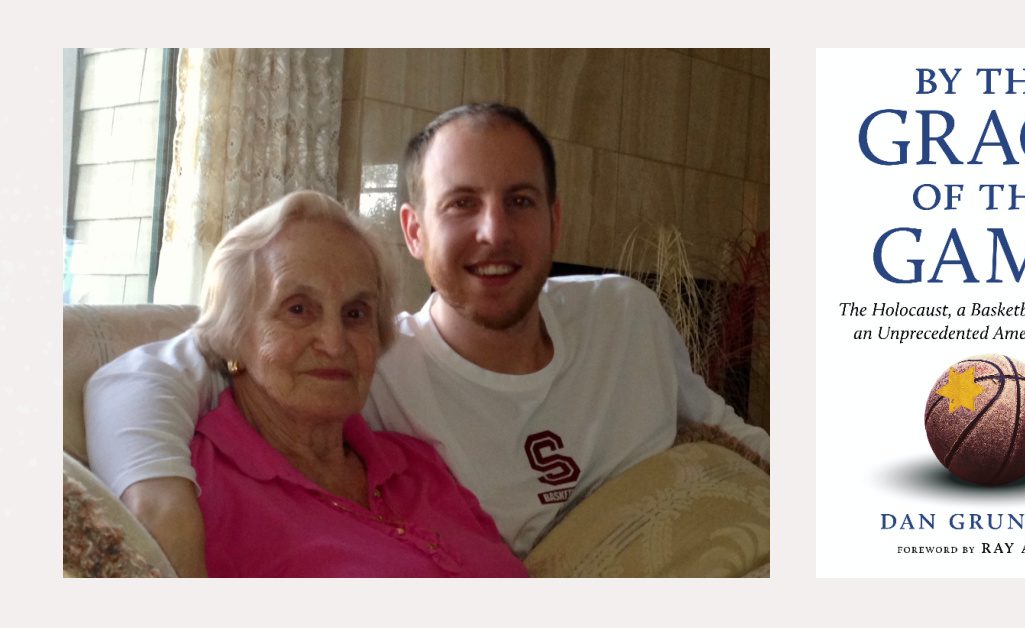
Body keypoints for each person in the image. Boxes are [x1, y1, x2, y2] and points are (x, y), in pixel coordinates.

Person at [85, 103, 769, 574]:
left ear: (555, 221)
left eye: (521, 201)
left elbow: (727, 431)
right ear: (415, 231)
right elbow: (146, 372)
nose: (494, 232)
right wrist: (160, 509)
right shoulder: (376, 369)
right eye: (461, 203)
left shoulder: (628, 318)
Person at [154, 191, 524, 577]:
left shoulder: (417, 464)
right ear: (233, 335)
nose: (334, 343)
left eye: (355, 313)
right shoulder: (198, 488)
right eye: (298, 309)